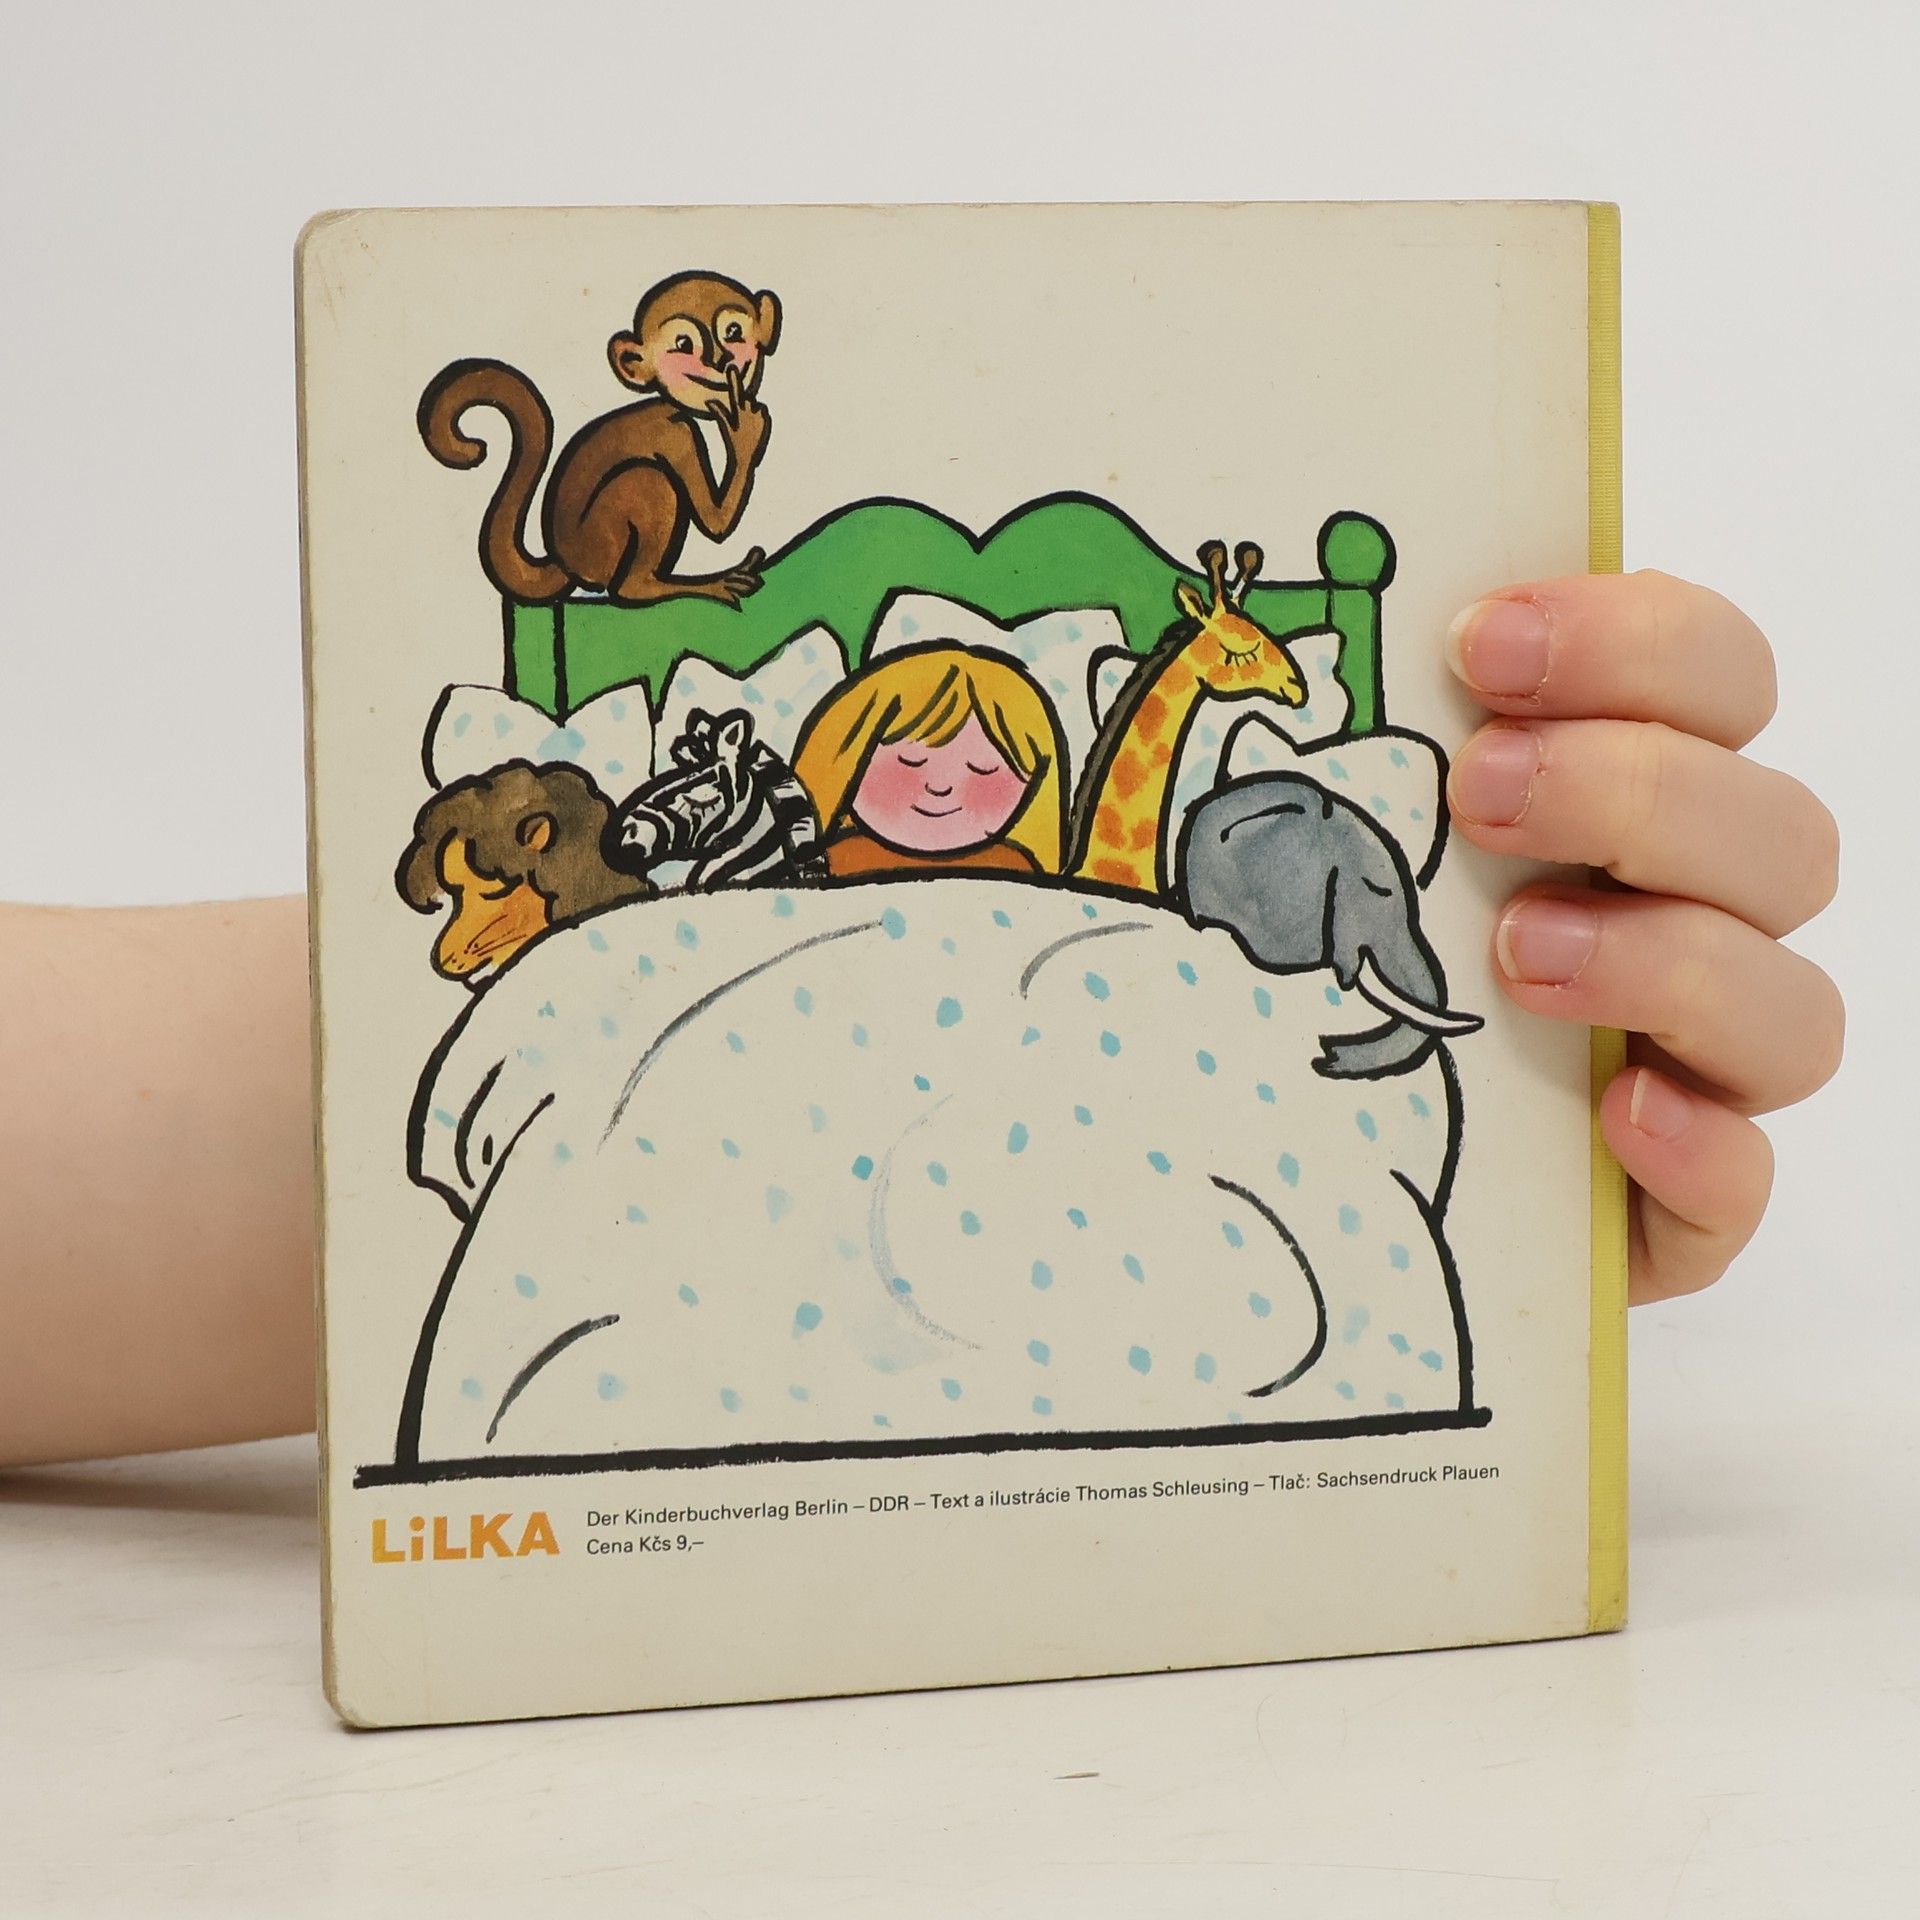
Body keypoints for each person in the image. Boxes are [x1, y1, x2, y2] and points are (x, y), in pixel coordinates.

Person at [0, 572, 1843, 1469]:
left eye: (992, 757)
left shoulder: (1125, 870)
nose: (954, 785)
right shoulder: (767, 861)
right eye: (916, 751)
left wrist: (1529, 1115)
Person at [792, 645, 1067, 877]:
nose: (939, 787)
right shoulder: (835, 863)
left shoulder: (1013, 868)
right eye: (910, 761)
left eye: (982, 770)